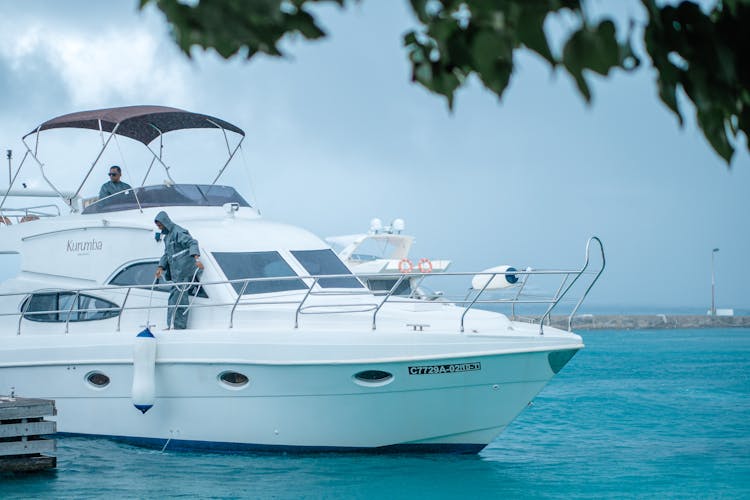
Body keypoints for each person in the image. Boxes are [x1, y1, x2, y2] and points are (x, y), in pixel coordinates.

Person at [154, 211, 204, 329]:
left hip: (183, 272)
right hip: (176, 275)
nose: (159, 227)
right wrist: (160, 267)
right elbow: (167, 254)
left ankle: (178, 326)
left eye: (160, 225)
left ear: (165, 222)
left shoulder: (178, 232)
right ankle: (172, 325)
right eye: (158, 226)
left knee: (181, 299)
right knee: (173, 299)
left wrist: (197, 259)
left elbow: (192, 243)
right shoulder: (167, 238)